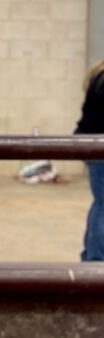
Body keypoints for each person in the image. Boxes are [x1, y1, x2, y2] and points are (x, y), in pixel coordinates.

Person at [75, 55, 104, 259]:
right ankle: (95, 260)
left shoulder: (98, 74)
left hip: (93, 144)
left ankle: (91, 257)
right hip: (97, 146)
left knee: (101, 204)